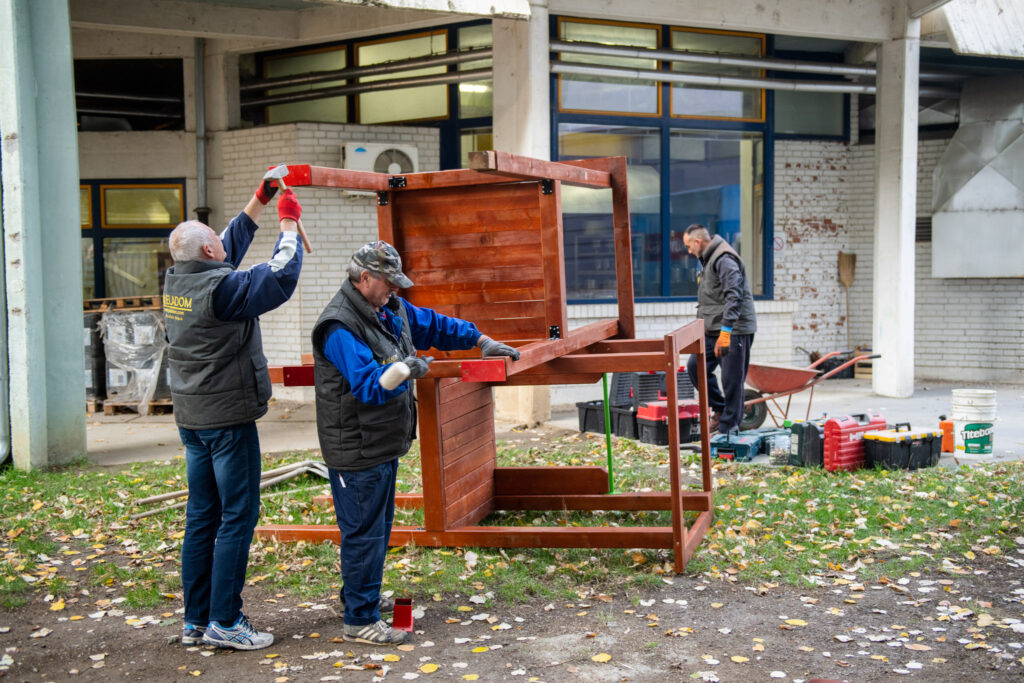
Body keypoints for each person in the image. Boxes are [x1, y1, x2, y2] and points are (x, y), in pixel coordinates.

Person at [311, 240, 519, 646]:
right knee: (364, 532)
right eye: (388, 282)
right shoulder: (338, 326)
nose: (395, 289)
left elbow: (435, 325)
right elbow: (370, 386)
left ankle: (360, 597)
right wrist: (406, 367)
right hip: (356, 448)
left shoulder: (388, 309)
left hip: (380, 443)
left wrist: (480, 340)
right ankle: (359, 620)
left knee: (376, 528)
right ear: (364, 278)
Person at [163, 176, 303, 651]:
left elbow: (221, 249)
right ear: (207, 255)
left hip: (193, 419)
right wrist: (288, 223)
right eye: (214, 246)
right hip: (226, 419)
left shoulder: (180, 280)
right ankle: (226, 620)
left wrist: (258, 201)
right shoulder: (221, 291)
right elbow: (280, 276)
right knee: (238, 515)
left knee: (202, 515)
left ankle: (196, 621)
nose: (221, 248)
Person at [682, 223, 757, 435]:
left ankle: (728, 429)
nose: (688, 251)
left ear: (698, 242)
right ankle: (721, 409)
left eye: (689, 246)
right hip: (713, 328)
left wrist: (726, 332)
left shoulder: (724, 258)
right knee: (695, 366)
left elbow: (734, 296)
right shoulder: (709, 258)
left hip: (734, 329)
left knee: (731, 381)